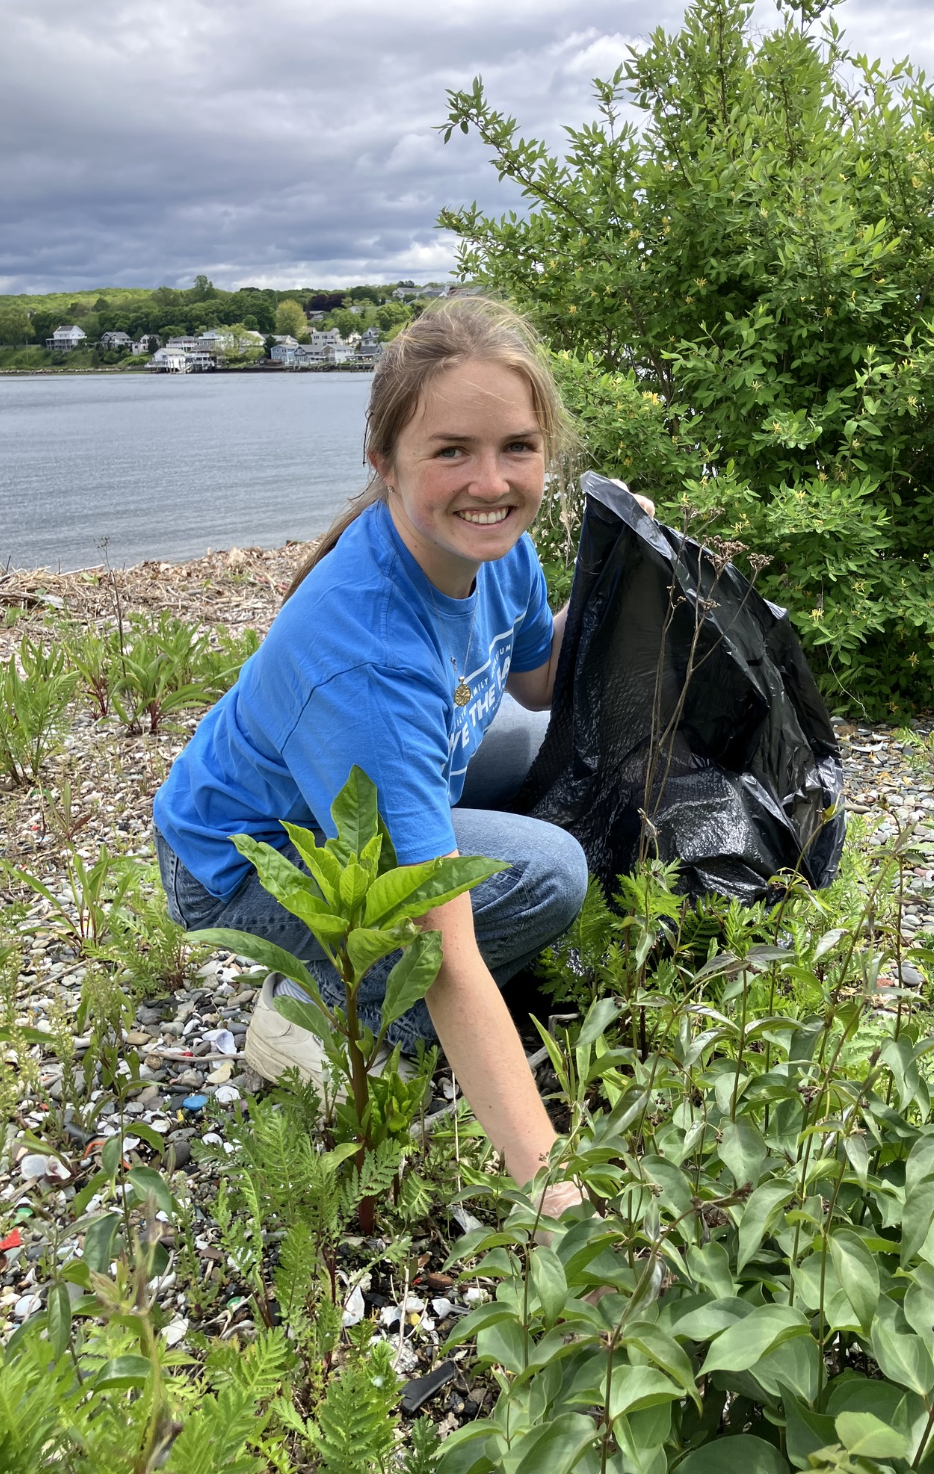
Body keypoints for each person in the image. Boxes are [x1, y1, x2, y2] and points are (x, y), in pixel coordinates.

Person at [153, 297, 647, 1201]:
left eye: (518, 449)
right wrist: (554, 1191)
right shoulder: (365, 663)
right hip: (239, 862)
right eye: (451, 450)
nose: (490, 482)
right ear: (385, 463)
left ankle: (355, 981)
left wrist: (624, 576)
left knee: (530, 737)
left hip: (347, 785)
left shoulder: (502, 550)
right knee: (550, 872)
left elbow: (536, 683)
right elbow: (446, 945)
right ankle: (323, 1011)